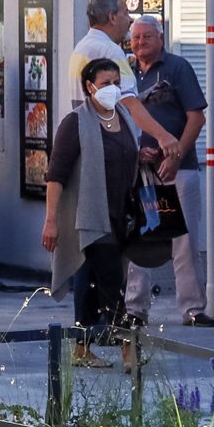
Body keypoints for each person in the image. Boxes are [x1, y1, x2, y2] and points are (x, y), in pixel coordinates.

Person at [44, 58, 150, 370]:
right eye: (105, 83)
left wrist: (140, 155)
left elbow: (123, 153)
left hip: (122, 213)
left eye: (116, 81)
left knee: (89, 280)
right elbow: (56, 174)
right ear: (90, 87)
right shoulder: (76, 122)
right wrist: (51, 220)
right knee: (111, 280)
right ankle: (127, 348)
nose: (112, 88)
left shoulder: (124, 118)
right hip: (89, 216)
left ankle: (81, 347)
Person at [124, 15, 213, 327]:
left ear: (160, 38)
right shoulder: (126, 73)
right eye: (135, 38)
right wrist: (135, 152)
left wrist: (178, 154)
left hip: (179, 169)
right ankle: (135, 309)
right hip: (142, 170)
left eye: (147, 37)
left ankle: (192, 309)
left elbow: (196, 118)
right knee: (140, 237)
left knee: (184, 239)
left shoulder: (177, 68)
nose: (140, 43)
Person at [69, 0, 179, 176]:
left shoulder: (81, 47)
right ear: (112, 17)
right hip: (112, 155)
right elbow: (127, 101)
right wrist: (163, 136)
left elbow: (105, 103)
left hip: (91, 148)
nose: (129, 20)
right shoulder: (110, 50)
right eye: (126, 13)